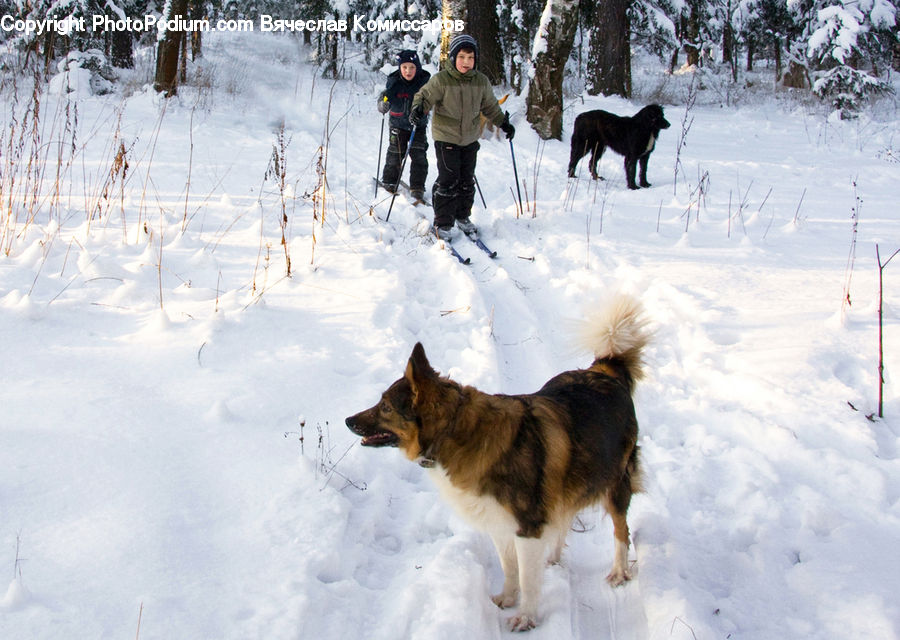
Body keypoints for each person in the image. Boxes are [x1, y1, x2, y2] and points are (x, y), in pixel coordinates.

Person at [409, 34, 515, 240]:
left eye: (471, 57)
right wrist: (418, 109)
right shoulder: (441, 80)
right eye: (462, 57)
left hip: (469, 139)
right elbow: (423, 97)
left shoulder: (480, 81)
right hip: (446, 138)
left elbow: (491, 106)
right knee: (449, 180)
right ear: (453, 57)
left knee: (467, 180)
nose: (466, 62)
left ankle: (462, 216)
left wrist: (503, 123)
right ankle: (443, 222)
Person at [378, 49, 430, 200]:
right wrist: (382, 104)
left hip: (418, 126)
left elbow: (432, 100)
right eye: (405, 67)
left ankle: (418, 186)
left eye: (412, 67)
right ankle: (389, 181)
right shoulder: (394, 83)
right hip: (397, 125)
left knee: (419, 156)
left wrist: (423, 109)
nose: (408, 71)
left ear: (417, 67)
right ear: (400, 67)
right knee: (395, 154)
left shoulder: (424, 84)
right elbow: (384, 97)